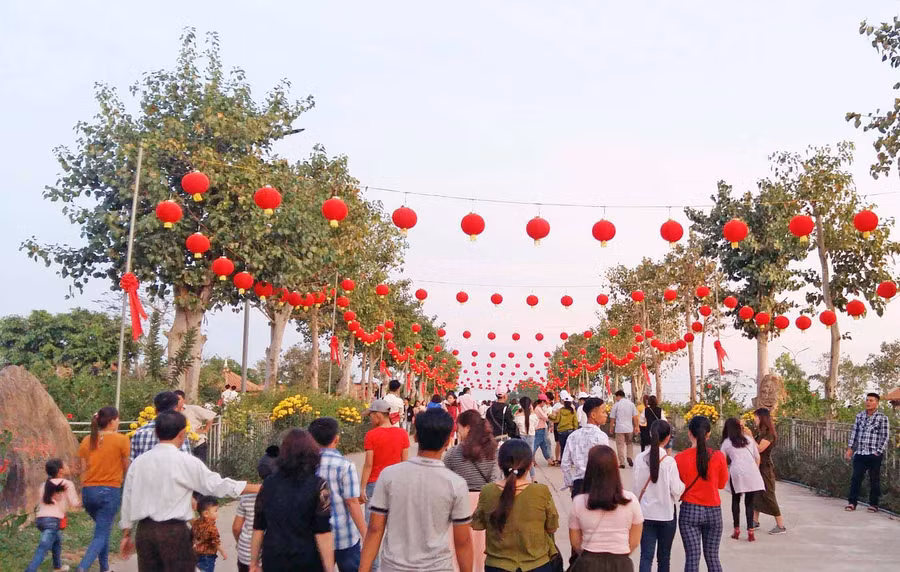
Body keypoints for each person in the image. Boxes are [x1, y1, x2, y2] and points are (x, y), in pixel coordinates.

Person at [119, 410, 259, 571]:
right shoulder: (186, 462)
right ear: (182, 433)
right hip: (173, 532)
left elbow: (128, 498)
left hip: (145, 533)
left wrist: (126, 534)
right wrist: (257, 488)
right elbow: (216, 485)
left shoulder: (139, 463)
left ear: (157, 433)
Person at [360, 409, 474, 572]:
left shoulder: (389, 475)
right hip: (437, 568)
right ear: (448, 441)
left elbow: (375, 529)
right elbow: (463, 542)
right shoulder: (456, 484)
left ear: (416, 437)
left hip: (393, 568)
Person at [249, 429, 335, 572]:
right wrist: (329, 568)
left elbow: (258, 526)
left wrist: (253, 562)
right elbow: (323, 532)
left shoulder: (268, 484)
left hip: (274, 558)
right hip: (307, 559)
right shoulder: (319, 486)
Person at [472, 439, 559, 572]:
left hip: (497, 565)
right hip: (537, 564)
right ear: (530, 465)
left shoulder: (487, 491)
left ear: (500, 464)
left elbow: (478, 524)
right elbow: (552, 527)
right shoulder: (541, 491)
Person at [568, 445, 643, 572]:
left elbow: (575, 541)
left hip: (588, 563)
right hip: (621, 563)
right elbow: (634, 541)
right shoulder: (631, 500)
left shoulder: (579, 502)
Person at [75, 406, 130, 572]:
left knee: (102, 530)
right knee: (101, 534)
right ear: (112, 420)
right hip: (109, 491)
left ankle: (105, 568)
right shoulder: (122, 440)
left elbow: (81, 467)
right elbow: (127, 466)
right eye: (118, 418)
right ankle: (82, 567)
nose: (118, 422)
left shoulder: (87, 440)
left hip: (88, 492)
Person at [444, 409, 500, 572]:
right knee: (482, 548)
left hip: (459, 504)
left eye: (459, 427)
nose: (458, 431)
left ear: (467, 428)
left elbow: (445, 479)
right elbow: (496, 480)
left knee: (458, 547)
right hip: (484, 503)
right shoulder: (492, 450)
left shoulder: (454, 453)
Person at [310, 417, 368, 572]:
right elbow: (352, 503)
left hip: (317, 537)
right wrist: (365, 533)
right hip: (345, 536)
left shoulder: (306, 465)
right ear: (336, 439)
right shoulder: (345, 466)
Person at [674, 415, 728, 572]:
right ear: (708, 434)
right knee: (713, 557)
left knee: (692, 557)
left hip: (690, 511)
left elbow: (677, 487)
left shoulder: (679, 458)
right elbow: (721, 484)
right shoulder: (718, 456)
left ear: (689, 433)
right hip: (713, 511)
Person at [633, 420, 683, 572]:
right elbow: (676, 490)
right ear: (668, 438)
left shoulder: (639, 459)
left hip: (645, 514)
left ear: (650, 434)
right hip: (666, 515)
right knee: (664, 557)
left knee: (646, 556)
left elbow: (635, 489)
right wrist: (683, 486)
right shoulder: (669, 462)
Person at [26, 459, 80, 572]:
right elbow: (75, 503)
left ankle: (57, 567)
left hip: (40, 520)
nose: (67, 465)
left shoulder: (44, 485)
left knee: (57, 541)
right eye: (65, 464)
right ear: (60, 470)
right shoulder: (67, 484)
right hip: (53, 521)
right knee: (43, 548)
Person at [360, 399, 410, 511]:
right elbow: (404, 463)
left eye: (371, 415)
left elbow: (368, 464)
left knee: (372, 525)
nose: (370, 419)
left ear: (378, 415)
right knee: (393, 523)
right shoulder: (403, 434)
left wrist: (362, 488)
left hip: (374, 483)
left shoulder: (371, 435)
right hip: (395, 483)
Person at [845, 393, 890, 513]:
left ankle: (873, 504)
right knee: (855, 478)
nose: (868, 402)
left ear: (877, 403)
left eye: (871, 400)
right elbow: (854, 433)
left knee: (874, 480)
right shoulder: (859, 416)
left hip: (874, 454)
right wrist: (850, 449)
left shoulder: (882, 418)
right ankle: (852, 503)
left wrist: (878, 452)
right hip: (860, 453)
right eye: (867, 400)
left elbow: (885, 437)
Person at [720, 417, 764, 542]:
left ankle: (737, 530)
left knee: (736, 500)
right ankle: (750, 531)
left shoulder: (727, 442)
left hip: (736, 472)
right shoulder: (749, 440)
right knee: (749, 503)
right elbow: (757, 457)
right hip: (751, 471)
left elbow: (721, 460)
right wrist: (754, 470)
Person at [233, 451, 277, 572]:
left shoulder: (247, 497)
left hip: (245, 554)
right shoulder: (280, 496)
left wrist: (240, 543)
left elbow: (236, 528)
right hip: (270, 555)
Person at [561, 397, 610, 498]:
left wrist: (570, 484)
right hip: (597, 485)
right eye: (603, 412)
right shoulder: (600, 436)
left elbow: (565, 464)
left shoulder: (573, 436)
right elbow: (606, 464)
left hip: (578, 485)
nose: (606, 415)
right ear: (593, 415)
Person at [752, 407, 787, 533]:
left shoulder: (769, 434)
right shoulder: (760, 433)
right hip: (757, 467)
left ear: (762, 418)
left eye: (756, 417)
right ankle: (754, 521)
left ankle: (780, 525)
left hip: (765, 468)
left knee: (768, 494)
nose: (754, 420)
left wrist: (749, 436)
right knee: (756, 494)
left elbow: (760, 449)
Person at [130, 390, 191, 460]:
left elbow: (132, 462)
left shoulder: (139, 433)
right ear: (175, 409)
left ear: (155, 410)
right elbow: (186, 461)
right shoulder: (179, 433)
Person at [175, 389, 217, 463]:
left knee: (199, 470)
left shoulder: (192, 409)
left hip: (197, 445)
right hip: (182, 447)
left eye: (178, 399)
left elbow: (211, 416)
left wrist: (205, 429)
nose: (176, 401)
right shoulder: (171, 412)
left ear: (184, 400)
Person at [193, 496, 226, 572]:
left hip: (196, 553)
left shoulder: (196, 523)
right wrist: (222, 552)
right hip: (207, 557)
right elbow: (215, 541)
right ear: (206, 514)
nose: (217, 513)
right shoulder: (211, 527)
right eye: (216, 510)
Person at [609, 390, 639, 468]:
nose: (616, 399)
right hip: (629, 428)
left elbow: (612, 417)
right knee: (629, 443)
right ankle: (629, 456)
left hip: (619, 429)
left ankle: (622, 462)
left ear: (619, 396)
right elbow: (635, 417)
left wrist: (611, 427)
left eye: (616, 397)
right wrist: (636, 426)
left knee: (620, 445)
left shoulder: (616, 405)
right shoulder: (631, 404)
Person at [514, 396, 539, 478]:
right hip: (531, 436)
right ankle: (533, 477)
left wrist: (516, 413)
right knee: (530, 458)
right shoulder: (534, 416)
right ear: (530, 405)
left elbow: (516, 424)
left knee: (521, 458)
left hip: (522, 437)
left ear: (520, 405)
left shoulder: (518, 416)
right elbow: (536, 426)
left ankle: (521, 477)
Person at [548, 392, 578, 457]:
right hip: (570, 430)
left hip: (561, 431)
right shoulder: (573, 410)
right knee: (570, 447)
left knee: (563, 447)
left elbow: (557, 420)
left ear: (564, 402)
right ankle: (571, 461)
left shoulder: (560, 410)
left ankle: (562, 461)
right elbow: (575, 421)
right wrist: (575, 430)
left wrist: (549, 416)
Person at [532, 395, 553, 467]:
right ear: (542, 401)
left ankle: (549, 460)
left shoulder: (538, 408)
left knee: (544, 446)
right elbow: (545, 418)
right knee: (535, 446)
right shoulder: (538, 409)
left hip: (541, 429)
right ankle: (531, 460)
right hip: (539, 429)